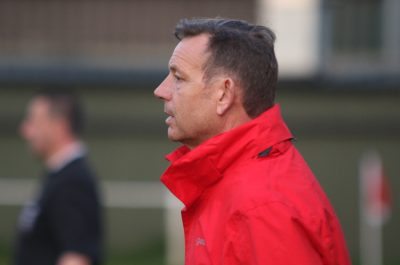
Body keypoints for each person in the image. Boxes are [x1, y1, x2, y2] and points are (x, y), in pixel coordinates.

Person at [154, 18, 351, 265]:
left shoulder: (262, 207)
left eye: (179, 78)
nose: (161, 90)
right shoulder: (234, 183)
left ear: (223, 94)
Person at [15, 88, 103, 265]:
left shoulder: (73, 182)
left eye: (33, 122)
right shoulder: (60, 176)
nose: (25, 131)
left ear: (59, 125)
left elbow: (77, 257)